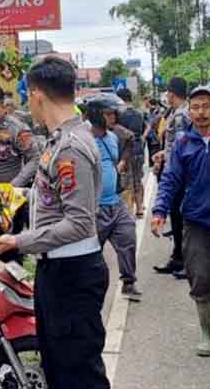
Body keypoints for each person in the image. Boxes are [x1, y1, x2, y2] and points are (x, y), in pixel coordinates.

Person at [0, 57, 109, 389]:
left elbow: (79, 223)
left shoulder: (70, 148)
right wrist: (5, 200)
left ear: (37, 94)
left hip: (72, 273)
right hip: (57, 269)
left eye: (26, 97)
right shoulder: (57, 140)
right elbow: (50, 197)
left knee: (79, 374)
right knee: (59, 367)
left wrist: (18, 241)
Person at [151, 86, 210, 357]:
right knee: (200, 279)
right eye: (196, 107)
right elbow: (171, 179)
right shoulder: (182, 143)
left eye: (206, 106)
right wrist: (159, 210)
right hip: (196, 221)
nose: (201, 112)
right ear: (190, 110)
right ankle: (207, 332)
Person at [88, 100, 143, 301]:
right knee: (92, 254)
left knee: (128, 237)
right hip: (95, 208)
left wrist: (120, 163)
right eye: (107, 114)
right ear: (95, 115)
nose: (112, 118)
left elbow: (129, 140)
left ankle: (129, 283)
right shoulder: (83, 140)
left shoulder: (112, 137)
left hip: (115, 202)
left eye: (113, 114)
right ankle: (88, 292)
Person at [153, 76, 190, 278]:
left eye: (167, 92)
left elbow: (181, 147)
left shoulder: (180, 115)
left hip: (179, 174)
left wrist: (168, 159)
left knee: (180, 217)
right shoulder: (177, 112)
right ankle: (177, 257)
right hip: (175, 170)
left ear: (171, 93)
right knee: (176, 216)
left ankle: (186, 261)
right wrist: (163, 155)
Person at [116, 88, 146, 217]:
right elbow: (146, 127)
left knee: (127, 182)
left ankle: (129, 211)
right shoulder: (139, 113)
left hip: (125, 151)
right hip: (139, 149)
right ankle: (139, 209)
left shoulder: (119, 114)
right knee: (138, 179)